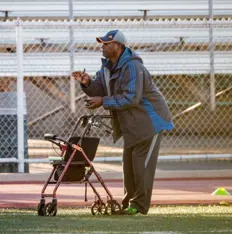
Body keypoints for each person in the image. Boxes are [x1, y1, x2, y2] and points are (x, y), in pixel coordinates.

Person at [71, 29, 174, 215]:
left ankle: (139, 205)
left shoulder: (133, 67)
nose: (102, 46)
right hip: (133, 124)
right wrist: (87, 83)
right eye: (102, 43)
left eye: (106, 43)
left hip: (150, 122)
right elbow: (99, 88)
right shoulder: (107, 67)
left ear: (118, 46)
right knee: (129, 165)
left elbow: (131, 98)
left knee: (141, 165)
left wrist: (103, 101)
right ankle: (128, 204)